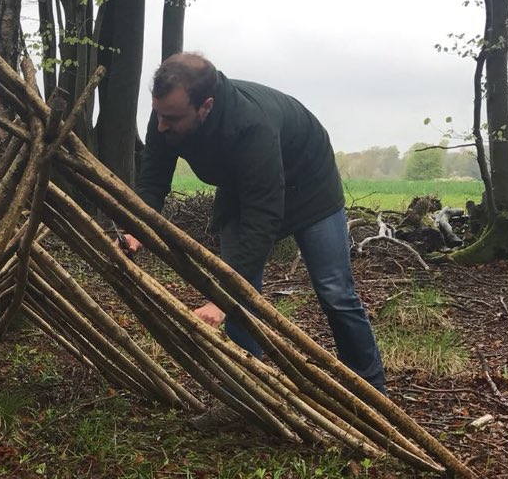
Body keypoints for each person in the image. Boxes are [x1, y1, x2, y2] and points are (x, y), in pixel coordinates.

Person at [122, 53, 387, 429]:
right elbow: (152, 180)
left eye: (173, 118)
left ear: (206, 106)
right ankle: (249, 399)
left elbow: (264, 218)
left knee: (334, 291)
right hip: (243, 185)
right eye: (158, 114)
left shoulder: (252, 125)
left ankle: (371, 395)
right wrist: (137, 227)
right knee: (242, 294)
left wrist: (222, 299)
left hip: (309, 185)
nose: (161, 125)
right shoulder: (167, 114)